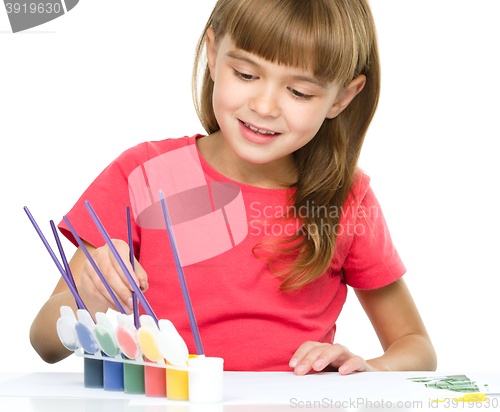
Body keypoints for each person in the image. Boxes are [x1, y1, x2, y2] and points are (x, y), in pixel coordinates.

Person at [30, 0, 437, 374]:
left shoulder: (346, 199)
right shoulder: (143, 174)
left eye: (299, 91)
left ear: (341, 98)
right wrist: (89, 297)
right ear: (212, 52)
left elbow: (416, 347)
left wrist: (367, 368)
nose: (264, 105)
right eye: (245, 74)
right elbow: (44, 341)